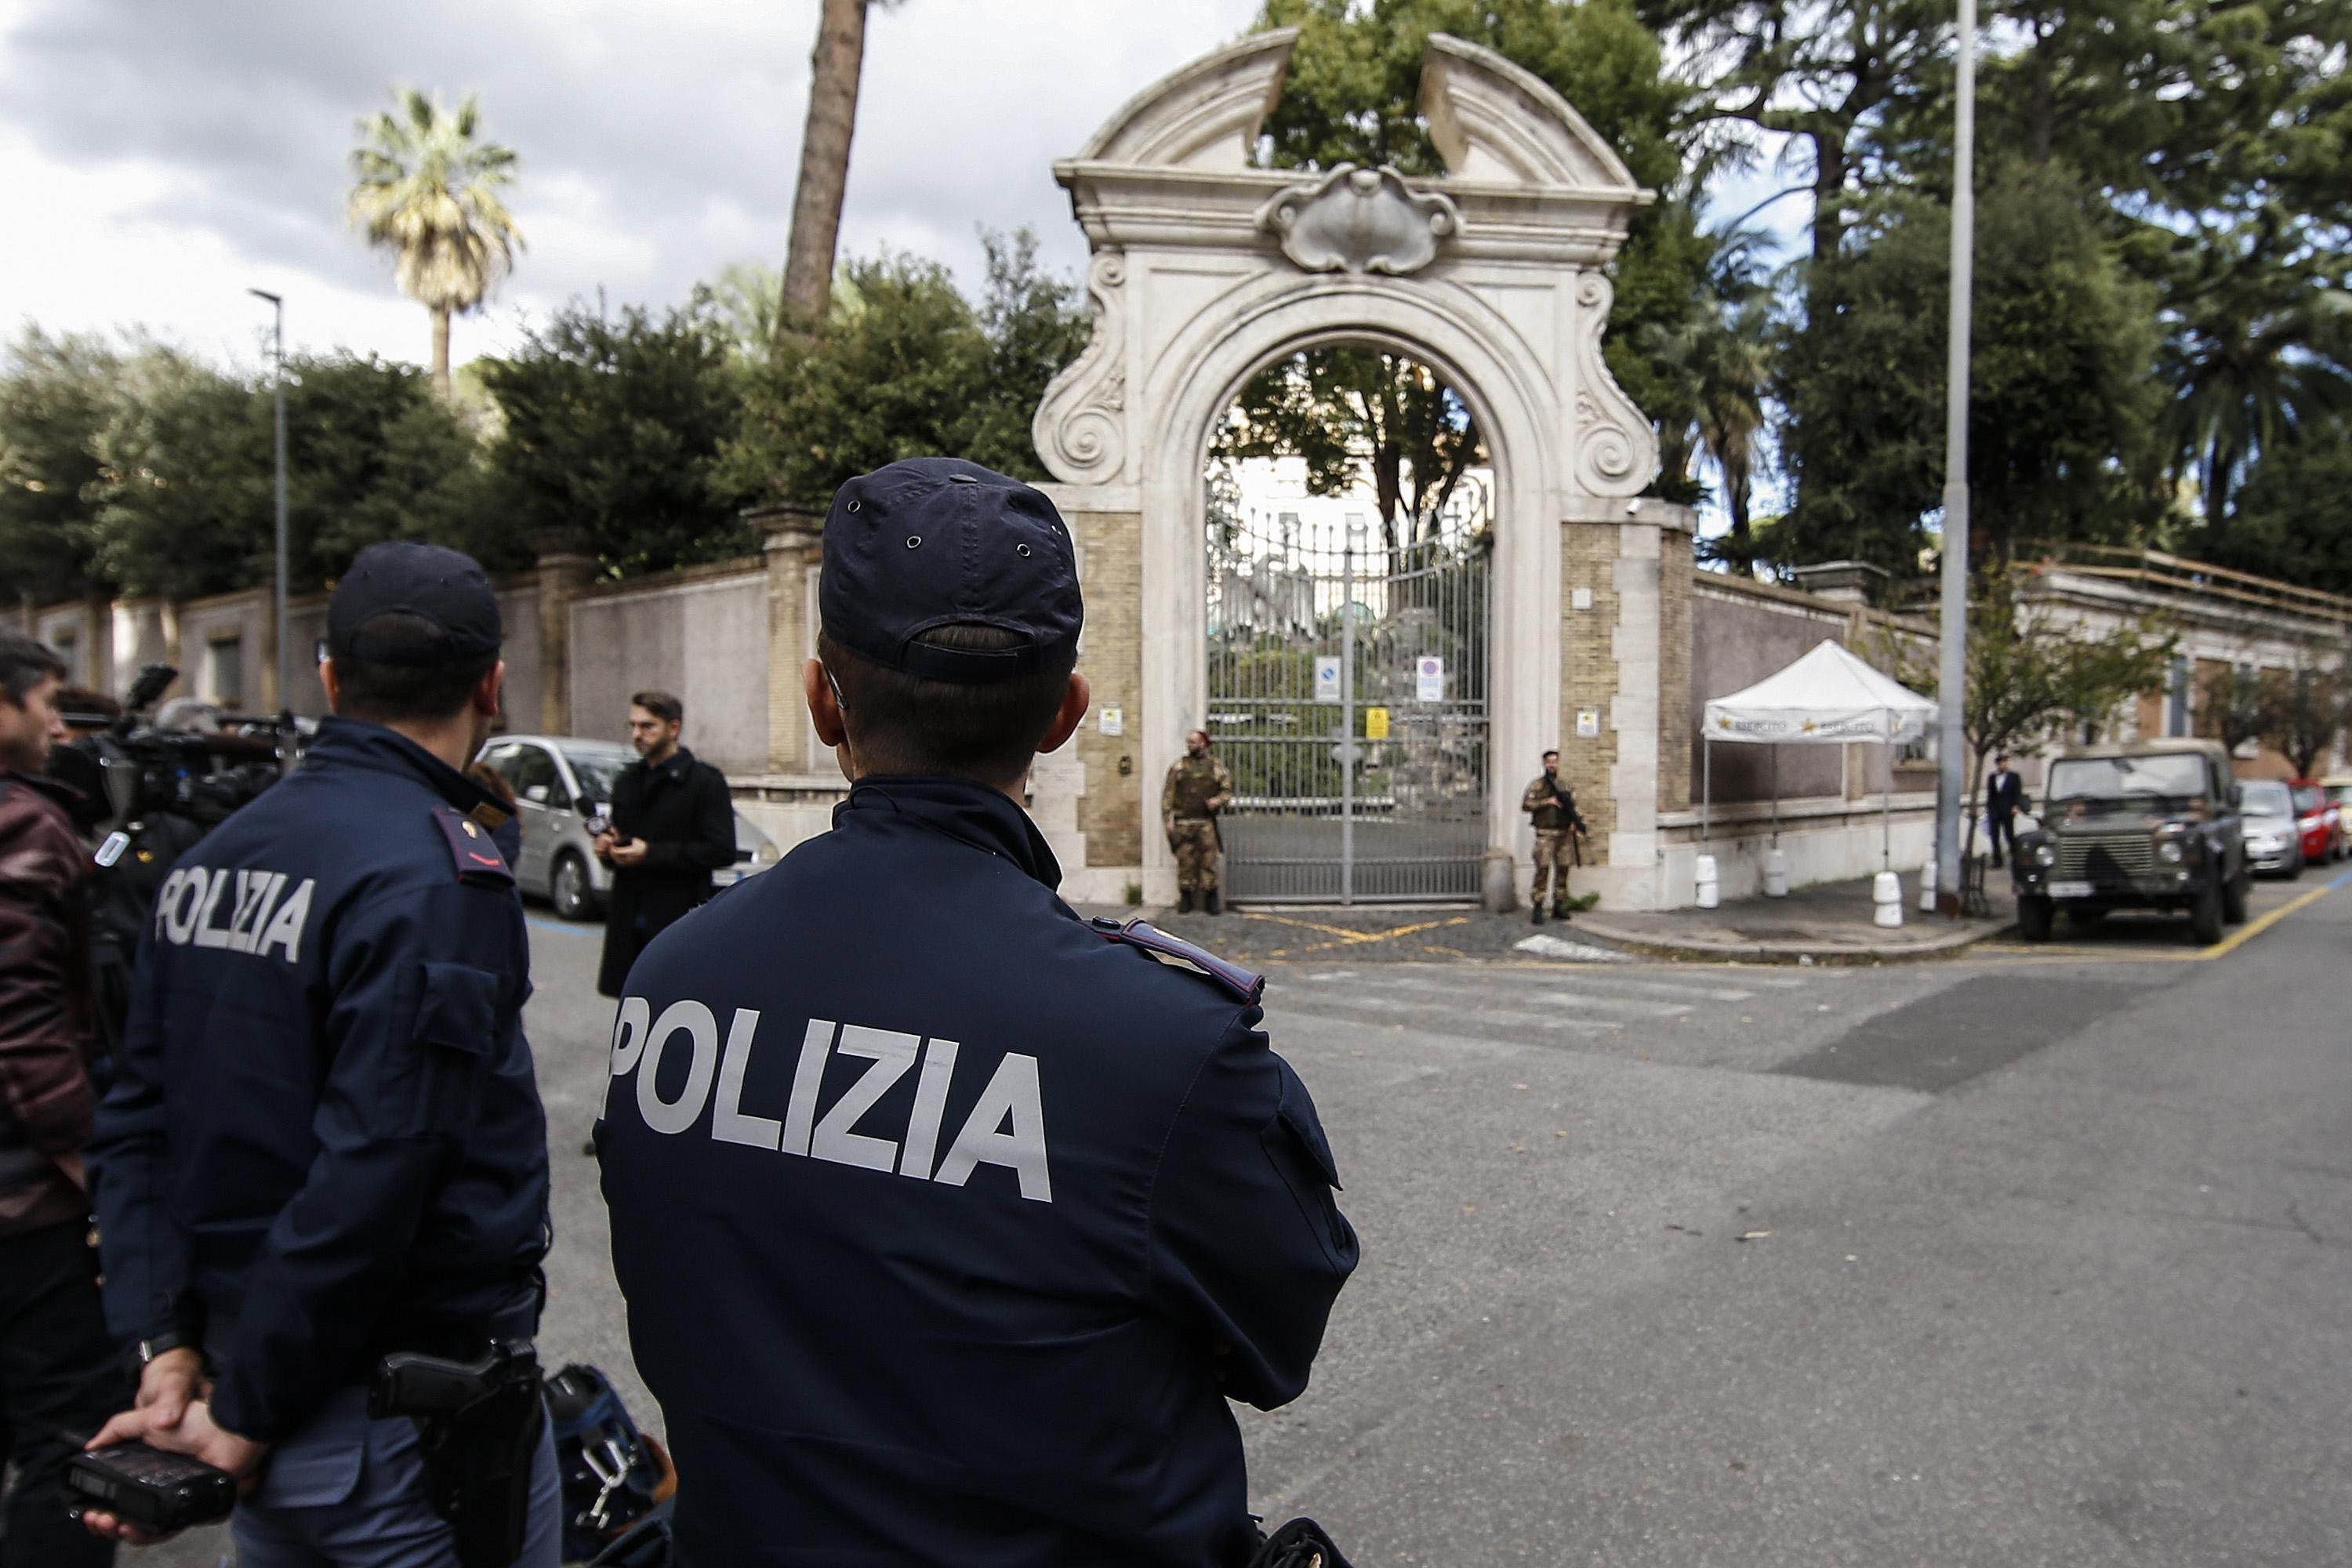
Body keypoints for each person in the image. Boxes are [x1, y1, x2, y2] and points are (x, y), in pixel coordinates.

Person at [597, 457, 1358, 1568]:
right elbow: (1276, 1342)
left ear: (823, 704)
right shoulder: (1164, 1042)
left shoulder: (674, 979)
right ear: (1063, 714)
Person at [78, 542, 561, 1566]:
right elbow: (375, 1173)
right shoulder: (439, 880)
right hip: (392, 1431)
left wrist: (164, 1345)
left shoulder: (210, 861)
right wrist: (244, 1408)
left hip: (252, 1394)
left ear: (329, 678)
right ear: (492, 685)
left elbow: (134, 1123)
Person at [0, 631, 124, 1568]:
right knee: (66, 1443)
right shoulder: (22, 824)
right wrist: (90, 1164)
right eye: (43, 699)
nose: (57, 718)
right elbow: (22, 1016)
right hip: (24, 1204)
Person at [593, 691, 735, 999]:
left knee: (674, 1000)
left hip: (677, 915)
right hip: (628, 914)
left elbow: (721, 848)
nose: (637, 735)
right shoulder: (627, 781)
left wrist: (651, 853)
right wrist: (609, 850)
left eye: (647, 726)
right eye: (632, 726)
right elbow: (623, 845)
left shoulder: (704, 782)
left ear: (673, 728)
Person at [1162, 728, 1233, 914]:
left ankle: (1211, 897)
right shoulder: (1178, 767)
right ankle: (1186, 898)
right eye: (1188, 742)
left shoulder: (1215, 766)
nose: (1189, 745)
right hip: (1183, 822)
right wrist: (1167, 819)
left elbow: (1227, 790)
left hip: (1205, 822)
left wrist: (1217, 801)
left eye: (1193, 742)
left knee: (1208, 861)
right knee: (1185, 861)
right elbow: (1168, 794)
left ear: (1203, 743)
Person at [1520, 749, 1589, 924]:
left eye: (1555, 762)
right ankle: (1538, 906)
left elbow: (1574, 807)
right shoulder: (1537, 785)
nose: (1552, 765)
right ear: (1545, 764)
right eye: (1549, 762)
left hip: (1563, 834)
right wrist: (1546, 802)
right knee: (1542, 869)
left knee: (1563, 869)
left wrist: (1576, 822)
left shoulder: (1565, 786)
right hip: (1545, 834)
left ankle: (1559, 904)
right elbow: (1526, 805)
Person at [1985, 752, 2024, 866]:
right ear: (1997, 764)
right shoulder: (1992, 777)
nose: (2003, 765)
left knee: (2009, 835)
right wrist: (1989, 809)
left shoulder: (2014, 776)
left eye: (2005, 762)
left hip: (2008, 810)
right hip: (1995, 810)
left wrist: (2016, 805)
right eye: (2001, 763)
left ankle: (2015, 857)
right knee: (1994, 836)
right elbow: (1991, 794)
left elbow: (2017, 792)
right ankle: (1997, 860)